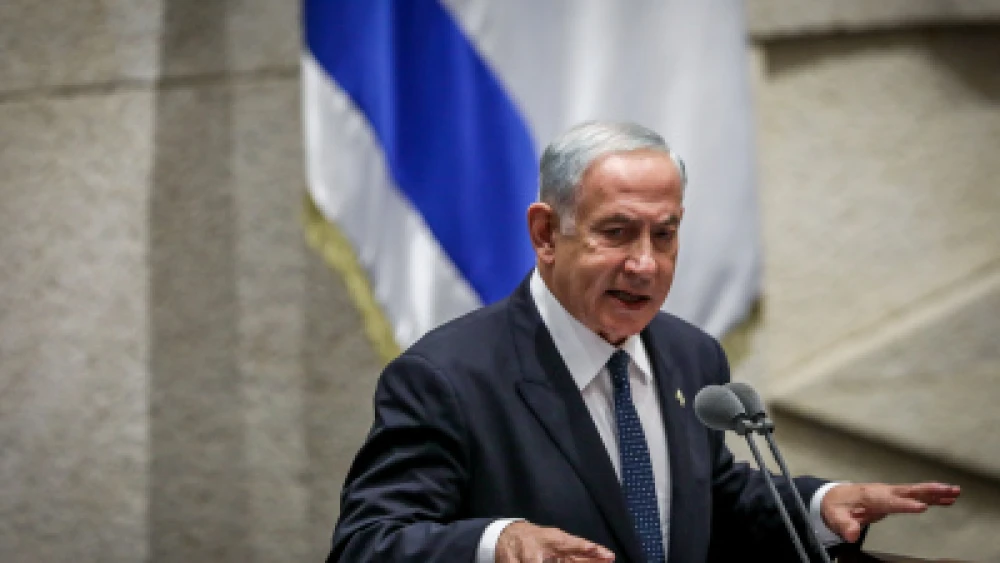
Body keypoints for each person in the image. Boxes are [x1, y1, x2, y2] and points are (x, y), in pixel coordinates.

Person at [327, 121, 960, 562]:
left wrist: (822, 505)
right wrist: (498, 543)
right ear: (546, 234)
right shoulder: (447, 377)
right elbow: (367, 542)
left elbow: (705, 499)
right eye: (618, 231)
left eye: (665, 234)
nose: (645, 264)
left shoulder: (692, 355)